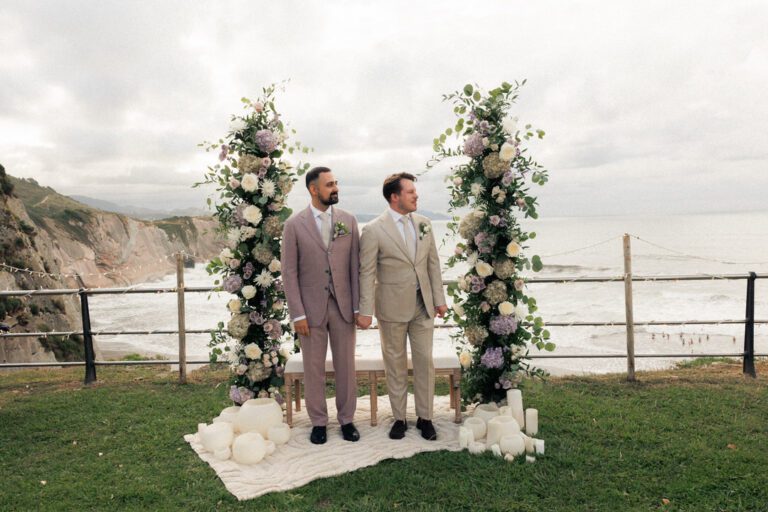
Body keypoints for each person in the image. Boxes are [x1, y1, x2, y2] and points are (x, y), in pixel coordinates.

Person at [357, 172, 448, 441]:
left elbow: (433, 264)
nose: (416, 195)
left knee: (424, 362)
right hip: (391, 308)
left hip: (423, 306)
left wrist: (440, 301)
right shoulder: (373, 230)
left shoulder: (425, 224)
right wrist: (365, 311)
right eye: (410, 192)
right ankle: (399, 418)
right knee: (395, 364)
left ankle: (425, 417)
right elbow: (366, 272)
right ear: (394, 197)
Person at [281, 167, 360, 444]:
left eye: (336, 183)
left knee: (346, 366)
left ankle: (347, 419)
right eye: (329, 184)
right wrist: (297, 314)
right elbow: (289, 273)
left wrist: (357, 308)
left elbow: (354, 268)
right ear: (314, 190)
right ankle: (318, 422)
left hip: (343, 306)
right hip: (310, 310)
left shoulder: (348, 221)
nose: (335, 188)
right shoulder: (294, 225)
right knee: (313, 367)